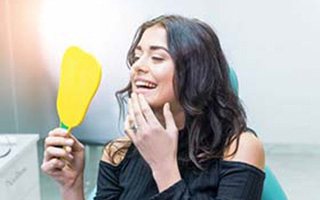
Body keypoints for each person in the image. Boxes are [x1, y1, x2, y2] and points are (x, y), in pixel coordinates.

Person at [41, 15, 265, 200]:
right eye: (137, 57)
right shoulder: (117, 153)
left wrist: (164, 167)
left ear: (196, 73)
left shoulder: (238, 148)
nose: (138, 66)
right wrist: (71, 186)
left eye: (157, 58)